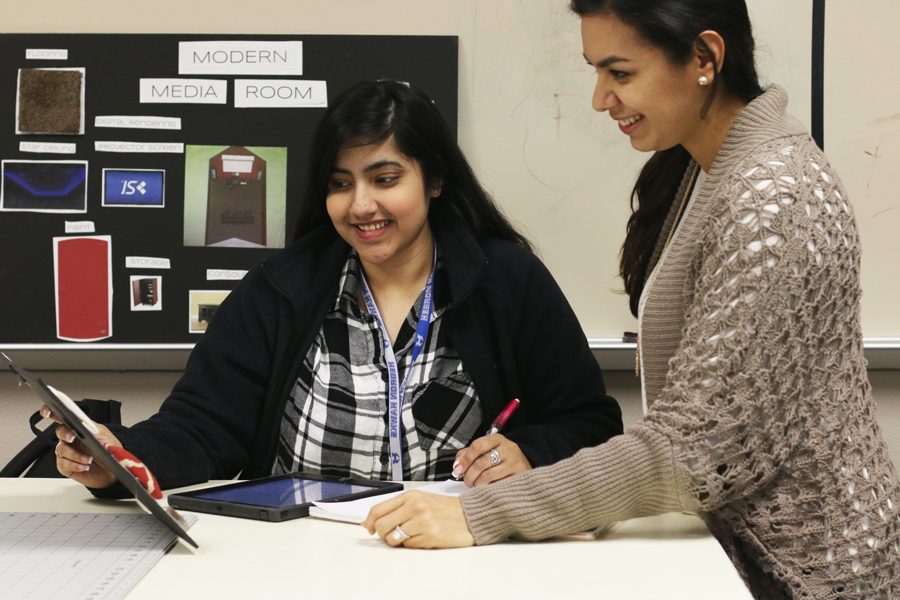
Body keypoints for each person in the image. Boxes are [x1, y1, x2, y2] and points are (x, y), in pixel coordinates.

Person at [362, 2, 900, 597]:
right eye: (597, 72)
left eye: (620, 74)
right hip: (742, 556)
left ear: (704, 58)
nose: (600, 99)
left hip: (808, 575)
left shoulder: (775, 202)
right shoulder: (705, 168)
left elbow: (688, 453)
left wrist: (482, 513)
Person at [49, 80, 623, 495]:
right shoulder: (281, 289)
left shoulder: (506, 280)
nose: (361, 205)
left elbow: (589, 424)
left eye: (386, 178)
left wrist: (530, 452)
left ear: (436, 180)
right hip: (303, 557)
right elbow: (205, 426)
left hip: (458, 553)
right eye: (340, 183)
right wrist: (120, 460)